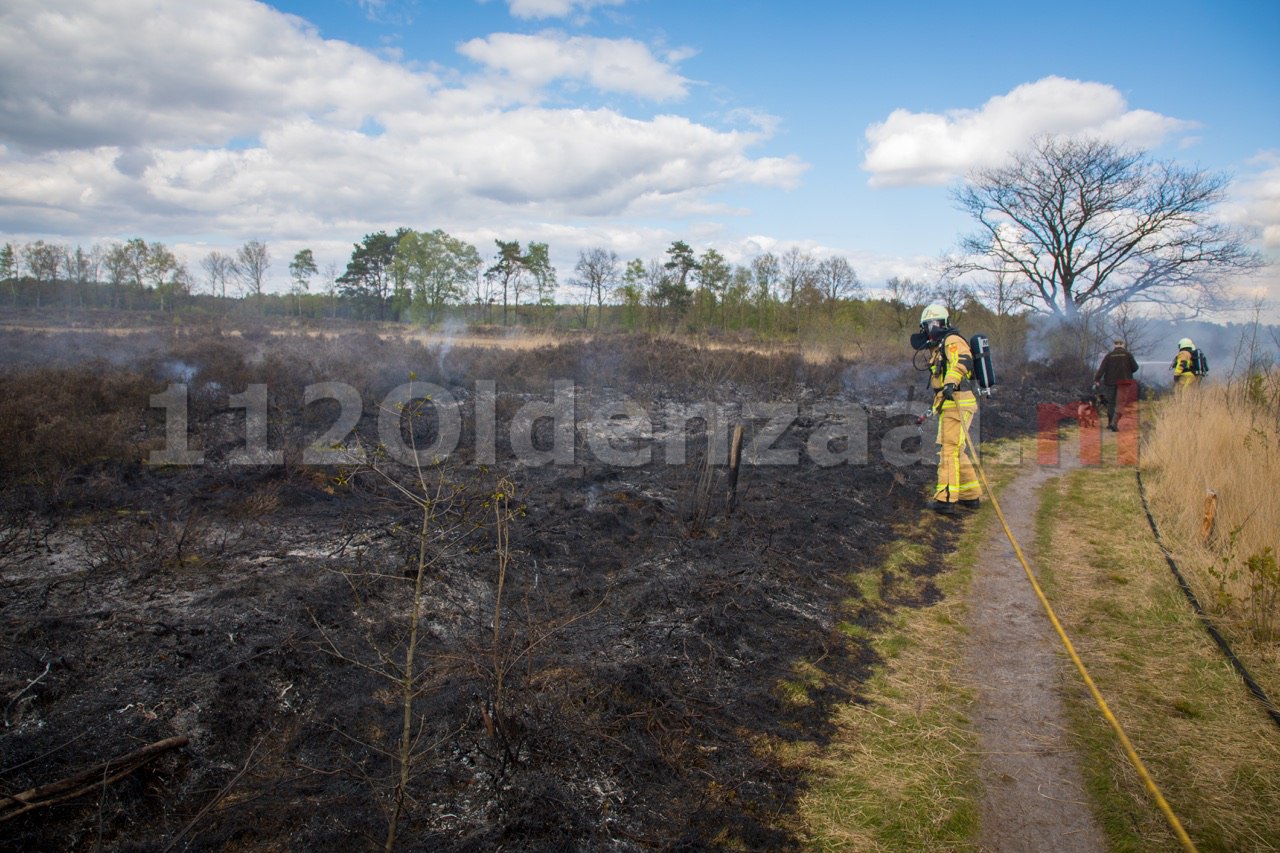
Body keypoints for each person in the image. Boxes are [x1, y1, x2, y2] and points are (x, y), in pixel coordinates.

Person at [916, 304, 982, 515]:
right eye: (926, 326)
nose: (929, 329)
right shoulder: (940, 346)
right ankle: (970, 495)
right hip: (952, 404)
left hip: (959, 403)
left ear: (941, 324)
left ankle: (945, 499)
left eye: (931, 325)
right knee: (955, 449)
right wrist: (934, 408)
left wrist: (950, 383)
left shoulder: (953, 341)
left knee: (949, 451)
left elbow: (963, 361)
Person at [1093, 339, 1139, 431]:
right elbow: (1135, 367)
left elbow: (1102, 369)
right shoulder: (1128, 355)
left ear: (1114, 345)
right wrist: (1127, 371)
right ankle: (1114, 423)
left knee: (1111, 403)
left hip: (1110, 382)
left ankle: (1110, 423)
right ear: (1123, 345)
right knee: (1120, 403)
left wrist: (1097, 379)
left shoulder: (1109, 356)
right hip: (1124, 382)